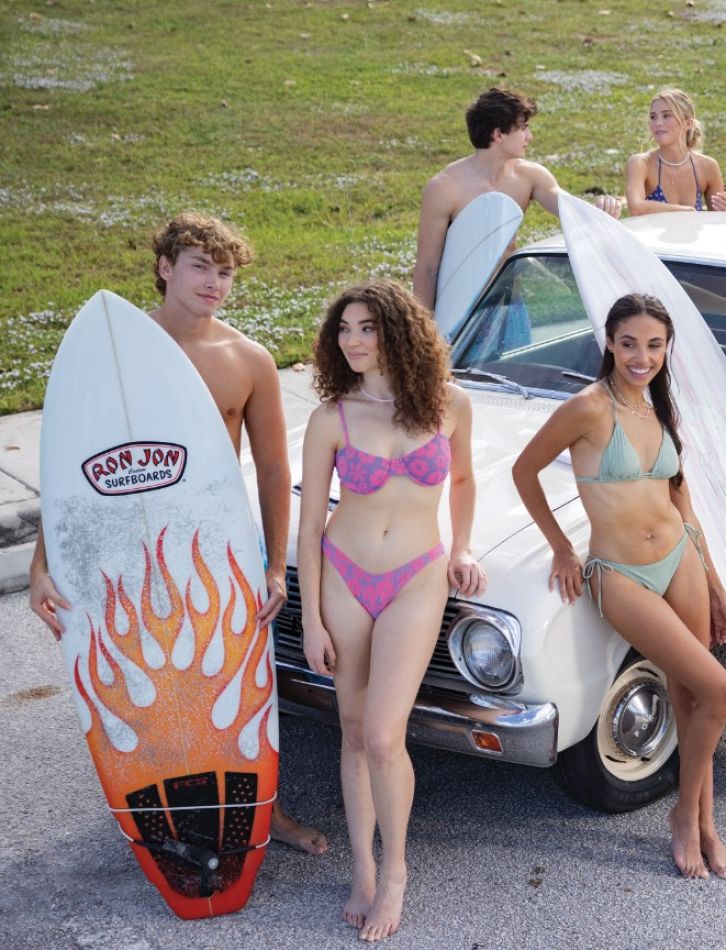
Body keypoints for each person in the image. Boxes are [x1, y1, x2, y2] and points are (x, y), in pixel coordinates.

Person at [28, 211, 328, 856]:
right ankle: (160, 812)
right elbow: (70, 472)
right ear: (165, 268)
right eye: (200, 267)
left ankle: (267, 812)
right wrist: (40, 566)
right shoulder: (111, 359)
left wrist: (273, 567)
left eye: (225, 272)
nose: (214, 283)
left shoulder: (247, 360)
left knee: (237, 686)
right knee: (140, 690)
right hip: (120, 551)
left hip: (215, 548)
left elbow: (274, 469)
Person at [512, 292, 726, 879]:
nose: (641, 357)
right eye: (629, 343)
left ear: (666, 348)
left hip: (681, 559)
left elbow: (680, 499)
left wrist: (712, 578)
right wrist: (562, 547)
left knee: (692, 696)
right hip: (620, 574)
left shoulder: (658, 406)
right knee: (719, 689)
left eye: (654, 345)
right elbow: (525, 470)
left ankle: (704, 823)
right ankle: (684, 817)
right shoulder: (587, 408)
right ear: (608, 342)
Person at [297, 280, 486, 941]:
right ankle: (362, 870)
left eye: (367, 328)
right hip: (345, 577)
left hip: (416, 578)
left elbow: (463, 480)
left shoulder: (450, 404)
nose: (352, 340)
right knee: (353, 732)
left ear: (398, 333)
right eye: (344, 328)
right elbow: (309, 527)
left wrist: (463, 547)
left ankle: (396, 871)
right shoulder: (332, 417)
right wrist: (312, 619)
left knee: (383, 736)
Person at [412, 86, 621, 312]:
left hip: (510, 305)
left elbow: (571, 209)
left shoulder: (530, 176)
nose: (529, 137)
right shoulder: (444, 188)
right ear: (498, 134)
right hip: (461, 313)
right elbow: (428, 267)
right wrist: (423, 325)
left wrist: (601, 209)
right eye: (523, 128)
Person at [625, 88, 726, 215]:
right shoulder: (640, 163)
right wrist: (686, 211)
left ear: (688, 124)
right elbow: (636, 207)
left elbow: (718, 220)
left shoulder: (708, 166)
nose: (658, 123)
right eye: (653, 117)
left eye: (666, 115)